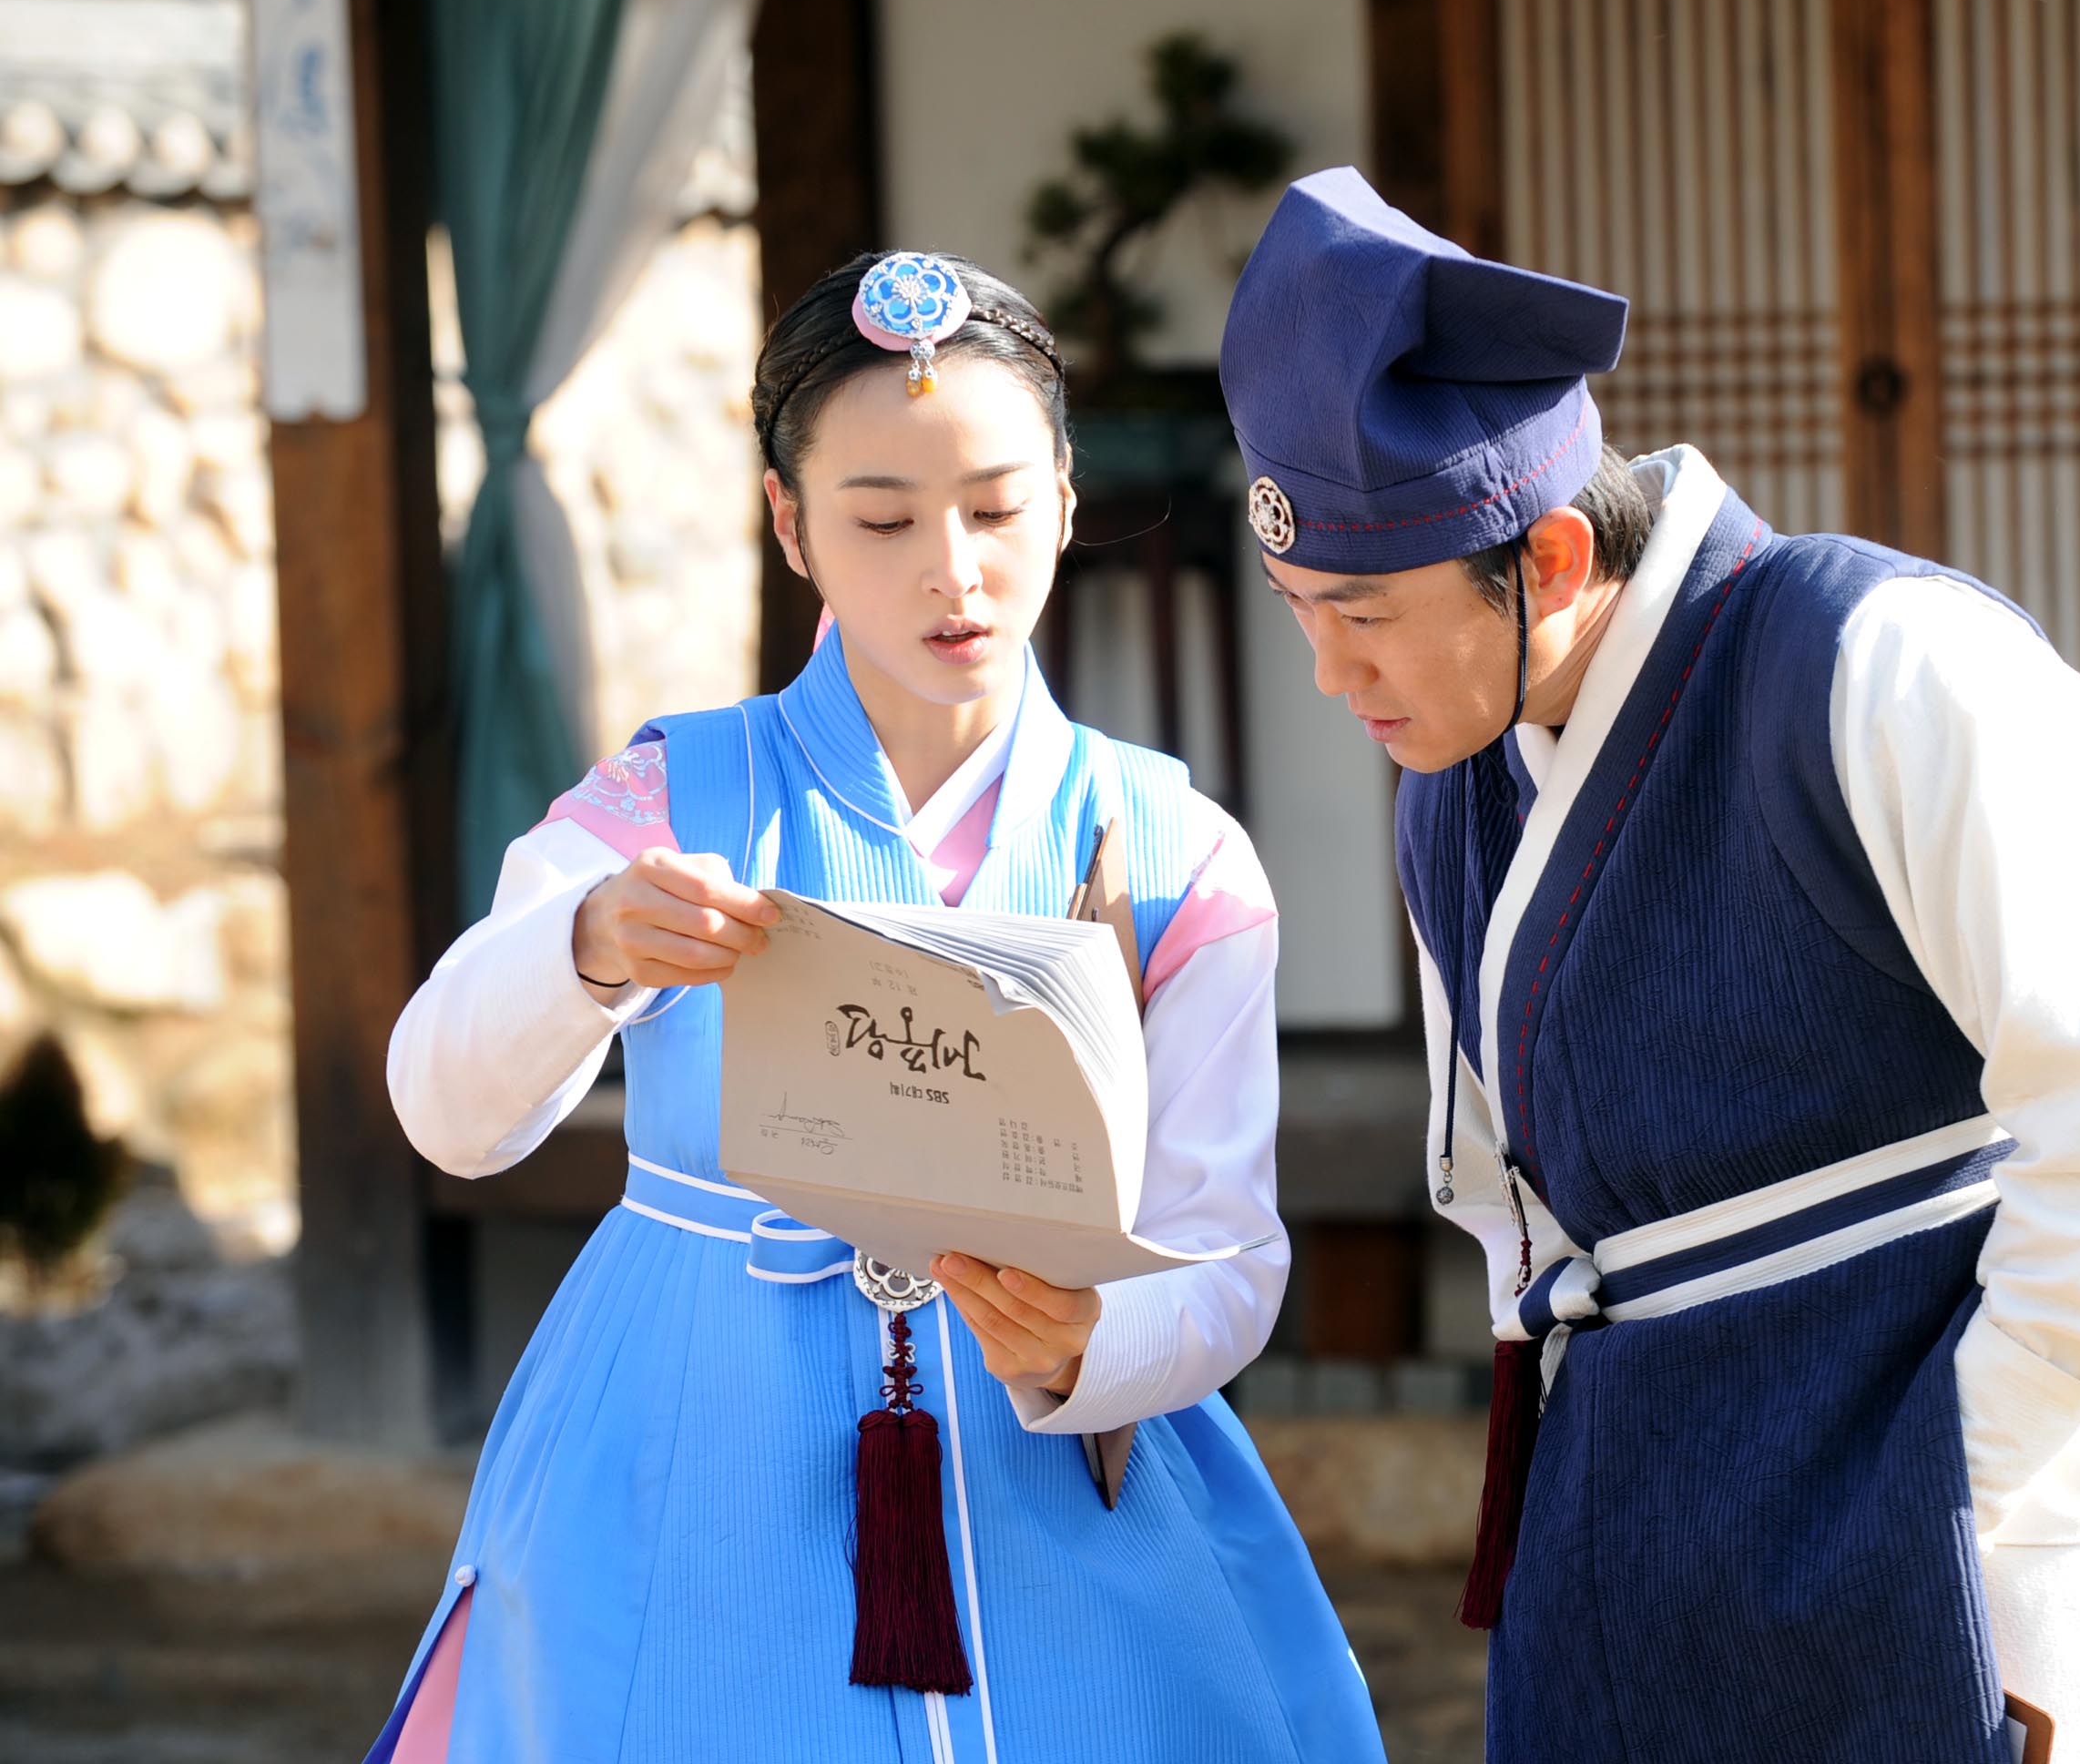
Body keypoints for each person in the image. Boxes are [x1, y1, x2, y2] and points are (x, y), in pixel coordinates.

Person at [1218, 168, 2080, 1764]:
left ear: (1547, 559)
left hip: (1964, 1497)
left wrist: (1942, 1470)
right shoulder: (1451, 787)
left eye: (1364, 615)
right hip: (1646, 1521)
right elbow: (1516, 1205)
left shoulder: (1886, 665)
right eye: (1297, 612)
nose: (1333, 675)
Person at [367, 250, 1384, 1764]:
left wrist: (1089, 1347)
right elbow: (446, 1109)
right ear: (790, 525)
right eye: (885, 519)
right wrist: (587, 945)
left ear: (1064, 502)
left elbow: (1227, 1254)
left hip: (1051, 1459)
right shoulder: (672, 797)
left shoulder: (1182, 854)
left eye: (996, 509)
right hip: (692, 1435)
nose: (951, 571)